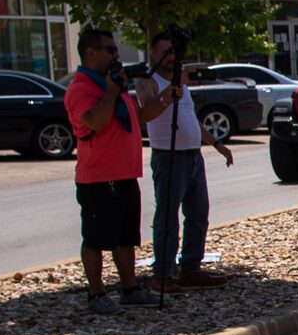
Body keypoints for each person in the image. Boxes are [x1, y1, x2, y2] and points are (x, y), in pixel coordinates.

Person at [64, 28, 159, 313]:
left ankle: (129, 288)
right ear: (90, 53)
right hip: (98, 177)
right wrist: (111, 91)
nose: (115, 55)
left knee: (125, 236)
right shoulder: (82, 88)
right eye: (109, 50)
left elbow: (138, 117)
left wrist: (167, 98)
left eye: (115, 49)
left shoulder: (111, 84)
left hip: (125, 174)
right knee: (95, 238)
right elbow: (93, 121)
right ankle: (97, 293)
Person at [133, 26, 232, 289]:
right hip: (169, 156)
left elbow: (191, 120)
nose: (170, 57)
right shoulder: (148, 81)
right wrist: (168, 95)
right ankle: (163, 273)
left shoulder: (181, 80)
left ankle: (191, 268)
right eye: (165, 51)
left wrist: (217, 144)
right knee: (167, 216)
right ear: (153, 51)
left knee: (198, 214)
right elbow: (146, 113)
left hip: (193, 156)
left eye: (173, 52)